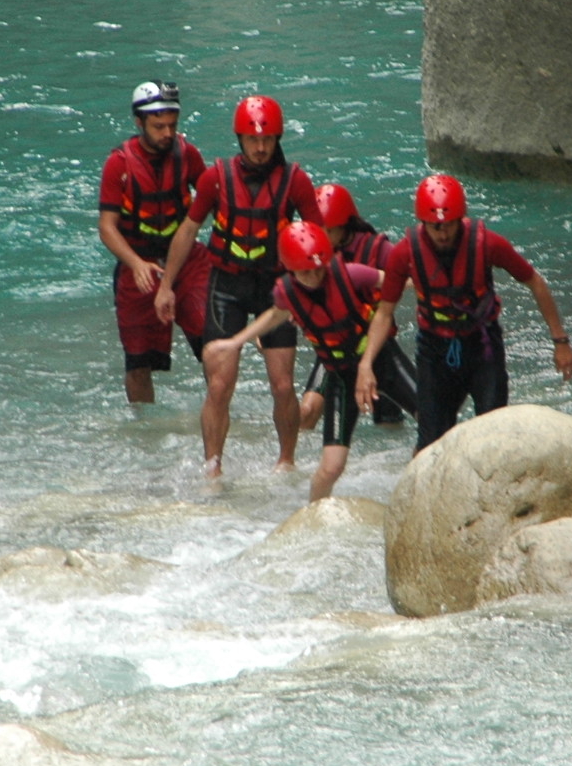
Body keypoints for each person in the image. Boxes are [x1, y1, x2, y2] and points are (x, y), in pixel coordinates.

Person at [154, 95, 324, 475]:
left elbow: (319, 239)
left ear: (278, 138)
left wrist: (316, 295)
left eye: (267, 139)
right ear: (240, 140)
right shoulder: (216, 178)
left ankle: (286, 463)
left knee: (282, 385)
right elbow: (188, 231)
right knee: (219, 385)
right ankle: (213, 466)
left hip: (275, 288)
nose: (261, 147)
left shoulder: (295, 181)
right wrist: (167, 286)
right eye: (252, 139)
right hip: (226, 286)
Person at [357, 173, 572, 450]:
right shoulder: (405, 254)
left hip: (482, 347)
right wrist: (366, 365)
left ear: (459, 219)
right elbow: (385, 312)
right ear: (422, 222)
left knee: (493, 433)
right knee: (430, 440)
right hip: (434, 351)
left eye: (448, 225)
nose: (443, 233)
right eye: (435, 227)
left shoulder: (487, 244)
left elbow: (534, 281)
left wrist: (560, 342)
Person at [206, 222, 380, 501]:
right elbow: (274, 315)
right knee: (329, 464)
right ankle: (310, 516)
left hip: (376, 358)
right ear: (291, 269)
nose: (312, 277)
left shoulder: (350, 274)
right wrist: (234, 342)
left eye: (317, 269)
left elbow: (396, 284)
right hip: (340, 370)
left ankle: (287, 459)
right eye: (304, 272)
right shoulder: (288, 293)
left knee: (430, 427)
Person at [97, 80, 210, 404]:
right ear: (139, 122)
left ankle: (218, 414)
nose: (167, 134)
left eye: (172, 125)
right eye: (158, 126)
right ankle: (146, 438)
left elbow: (211, 198)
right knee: (138, 363)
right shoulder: (119, 164)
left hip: (187, 261)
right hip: (139, 266)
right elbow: (107, 227)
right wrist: (135, 264)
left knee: (214, 346)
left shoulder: (187, 154)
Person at [299, 182, 415, 431]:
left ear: (345, 226)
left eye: (328, 231)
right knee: (307, 413)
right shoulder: (313, 255)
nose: (321, 239)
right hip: (335, 350)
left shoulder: (377, 248)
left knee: (390, 423)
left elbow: (414, 275)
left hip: (376, 347)